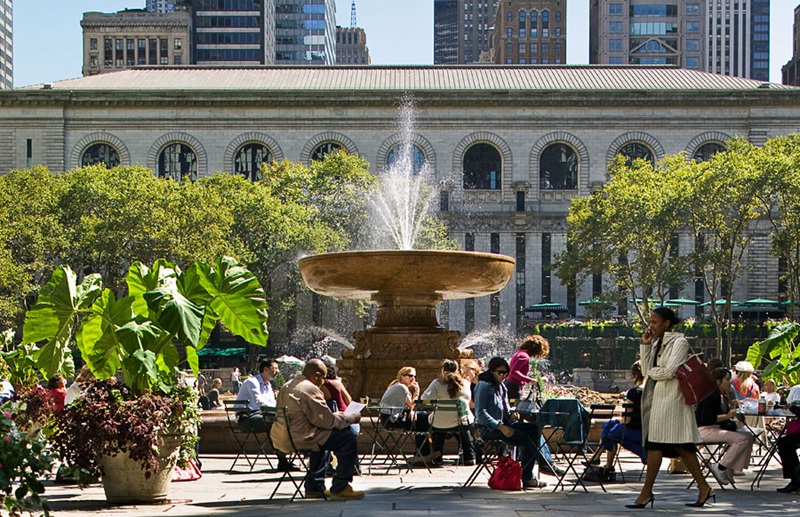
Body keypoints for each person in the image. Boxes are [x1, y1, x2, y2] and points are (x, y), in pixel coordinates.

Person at [628, 307, 712, 508]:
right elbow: (648, 371)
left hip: (674, 400)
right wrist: (645, 345)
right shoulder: (657, 343)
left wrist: (659, 372)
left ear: (667, 323)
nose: (651, 326)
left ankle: (648, 493)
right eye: (650, 321)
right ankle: (702, 487)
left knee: (672, 445)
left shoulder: (679, 342)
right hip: (660, 399)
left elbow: (669, 371)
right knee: (671, 445)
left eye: (655, 322)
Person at [270, 358, 364, 500]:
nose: (324, 382)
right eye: (324, 378)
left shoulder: (288, 385)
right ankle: (341, 487)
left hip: (282, 437)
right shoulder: (309, 388)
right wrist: (351, 418)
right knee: (347, 437)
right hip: (302, 437)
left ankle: (314, 487)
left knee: (324, 441)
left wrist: (333, 416)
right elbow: (327, 422)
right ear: (316, 376)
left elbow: (314, 417)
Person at [474, 356, 547, 489]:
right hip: (489, 429)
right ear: (491, 371)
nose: (503, 376)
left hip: (504, 425)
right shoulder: (483, 386)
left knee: (534, 430)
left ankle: (532, 470)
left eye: (505, 374)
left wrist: (512, 414)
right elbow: (480, 413)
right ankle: (527, 476)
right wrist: (500, 426)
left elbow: (505, 410)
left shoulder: (502, 387)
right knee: (526, 440)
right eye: (500, 373)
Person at [695, 367, 756, 486]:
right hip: (705, 430)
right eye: (727, 380)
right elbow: (707, 418)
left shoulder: (722, 395)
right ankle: (721, 467)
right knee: (742, 439)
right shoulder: (711, 395)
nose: (730, 383)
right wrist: (728, 415)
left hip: (716, 428)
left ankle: (730, 467)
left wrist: (730, 407)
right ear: (718, 381)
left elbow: (721, 413)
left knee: (749, 437)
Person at [585, 361, 646, 472]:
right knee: (611, 424)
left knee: (609, 430)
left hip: (633, 431)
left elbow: (627, 420)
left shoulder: (633, 393)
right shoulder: (652, 392)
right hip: (647, 431)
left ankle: (601, 462)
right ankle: (602, 462)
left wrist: (619, 421)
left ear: (634, 375)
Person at [422, 359, 476, 466]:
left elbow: (425, 399)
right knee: (467, 421)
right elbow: (467, 399)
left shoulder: (437, 383)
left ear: (443, 370)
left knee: (436, 421)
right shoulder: (465, 383)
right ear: (458, 370)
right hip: (461, 422)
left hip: (439, 422)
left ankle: (437, 456)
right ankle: (469, 456)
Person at [379, 367, 431, 463]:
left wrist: (412, 410)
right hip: (393, 420)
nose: (413, 379)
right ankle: (424, 453)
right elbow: (412, 404)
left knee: (420, 419)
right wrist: (417, 392)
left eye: (415, 376)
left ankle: (421, 453)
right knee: (423, 417)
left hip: (387, 419)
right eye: (410, 376)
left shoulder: (397, 386)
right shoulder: (401, 387)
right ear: (402, 376)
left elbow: (411, 406)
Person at [237, 359, 279, 433]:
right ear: (265, 369)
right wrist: (278, 409)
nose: (277, 371)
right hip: (246, 418)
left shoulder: (268, 385)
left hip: (260, 415)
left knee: (284, 420)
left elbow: (272, 402)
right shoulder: (252, 382)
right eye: (274, 368)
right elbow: (259, 402)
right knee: (279, 422)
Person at [504, 334, 550, 401]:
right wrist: (530, 380)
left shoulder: (519, 353)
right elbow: (513, 372)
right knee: (517, 409)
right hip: (514, 388)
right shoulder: (524, 356)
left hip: (510, 385)